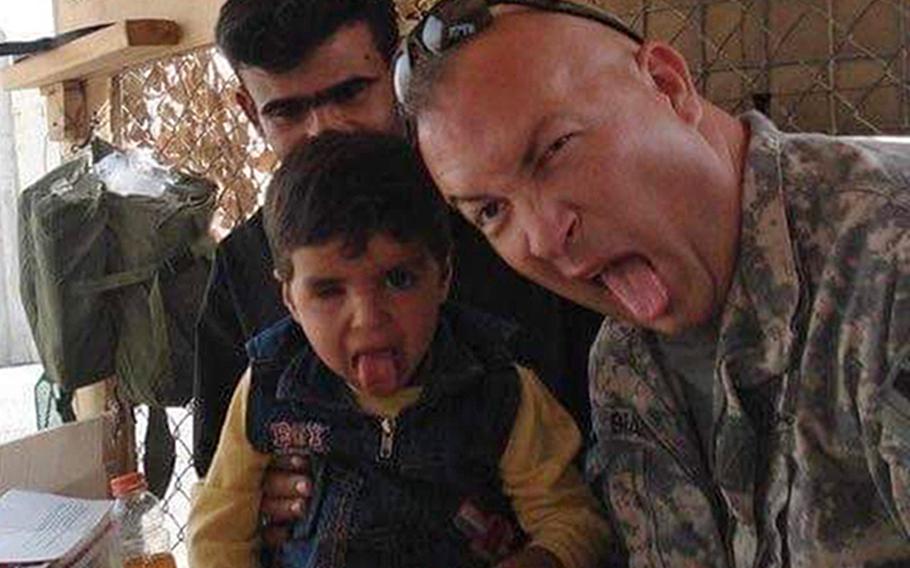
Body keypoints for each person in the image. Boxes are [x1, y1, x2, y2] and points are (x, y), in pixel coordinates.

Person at [394, 0, 910, 566]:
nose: (541, 238)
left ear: (668, 85)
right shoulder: (624, 364)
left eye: (555, 149)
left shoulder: (887, 262)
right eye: (491, 211)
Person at [194, 0, 601, 495]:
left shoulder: (509, 215)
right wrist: (261, 497)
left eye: (350, 93)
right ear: (249, 113)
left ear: (398, 72)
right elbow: (218, 475)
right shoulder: (244, 266)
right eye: (287, 111)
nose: (324, 128)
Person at [188, 131, 612, 568]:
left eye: (399, 280)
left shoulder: (499, 387)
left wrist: (541, 558)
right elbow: (219, 533)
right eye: (329, 291)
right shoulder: (270, 386)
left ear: (443, 276)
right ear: (291, 300)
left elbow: (573, 519)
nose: (368, 317)